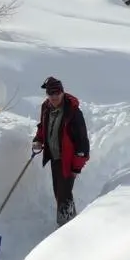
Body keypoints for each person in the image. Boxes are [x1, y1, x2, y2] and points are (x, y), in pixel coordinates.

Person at [32, 76, 90, 227]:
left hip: (69, 160)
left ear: (63, 93)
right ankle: (72, 221)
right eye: (51, 94)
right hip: (55, 157)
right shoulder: (46, 108)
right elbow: (42, 126)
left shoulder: (73, 113)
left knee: (63, 193)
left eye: (57, 93)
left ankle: (65, 226)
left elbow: (82, 142)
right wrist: (38, 140)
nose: (54, 97)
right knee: (59, 192)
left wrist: (76, 167)